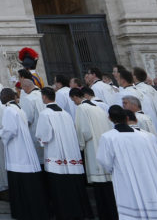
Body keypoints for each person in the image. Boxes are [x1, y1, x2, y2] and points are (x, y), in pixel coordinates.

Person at [98, 104, 157, 220]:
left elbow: (105, 161)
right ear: (127, 119)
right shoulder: (147, 136)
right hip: (152, 177)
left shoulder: (108, 137)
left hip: (127, 178)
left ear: (109, 118)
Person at [36, 86, 92, 219]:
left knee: (59, 187)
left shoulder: (45, 114)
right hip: (71, 154)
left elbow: (44, 136)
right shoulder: (65, 113)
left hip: (56, 155)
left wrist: (40, 140)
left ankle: (64, 213)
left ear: (44, 97)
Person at [0, 88, 48, 220]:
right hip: (25, 149)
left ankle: (22, 212)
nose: (0, 98)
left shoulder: (8, 110)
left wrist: (0, 133)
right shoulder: (19, 109)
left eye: (1, 95)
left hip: (17, 153)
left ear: (5, 96)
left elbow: (10, 130)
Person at [71, 87, 117, 219]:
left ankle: (104, 213)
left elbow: (84, 131)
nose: (74, 102)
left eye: (73, 100)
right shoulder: (97, 107)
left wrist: (80, 145)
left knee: (99, 183)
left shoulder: (81, 108)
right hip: (103, 146)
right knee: (108, 183)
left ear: (75, 97)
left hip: (92, 147)